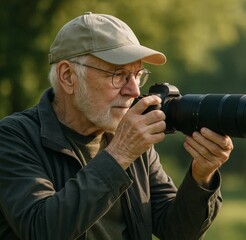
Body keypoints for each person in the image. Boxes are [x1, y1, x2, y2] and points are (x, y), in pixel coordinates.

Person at [0, 12, 233, 240]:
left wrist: (201, 175)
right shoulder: (13, 138)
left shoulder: (130, 139)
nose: (133, 90)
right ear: (68, 76)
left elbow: (176, 231)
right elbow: (41, 229)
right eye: (118, 75)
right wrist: (120, 153)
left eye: (138, 75)